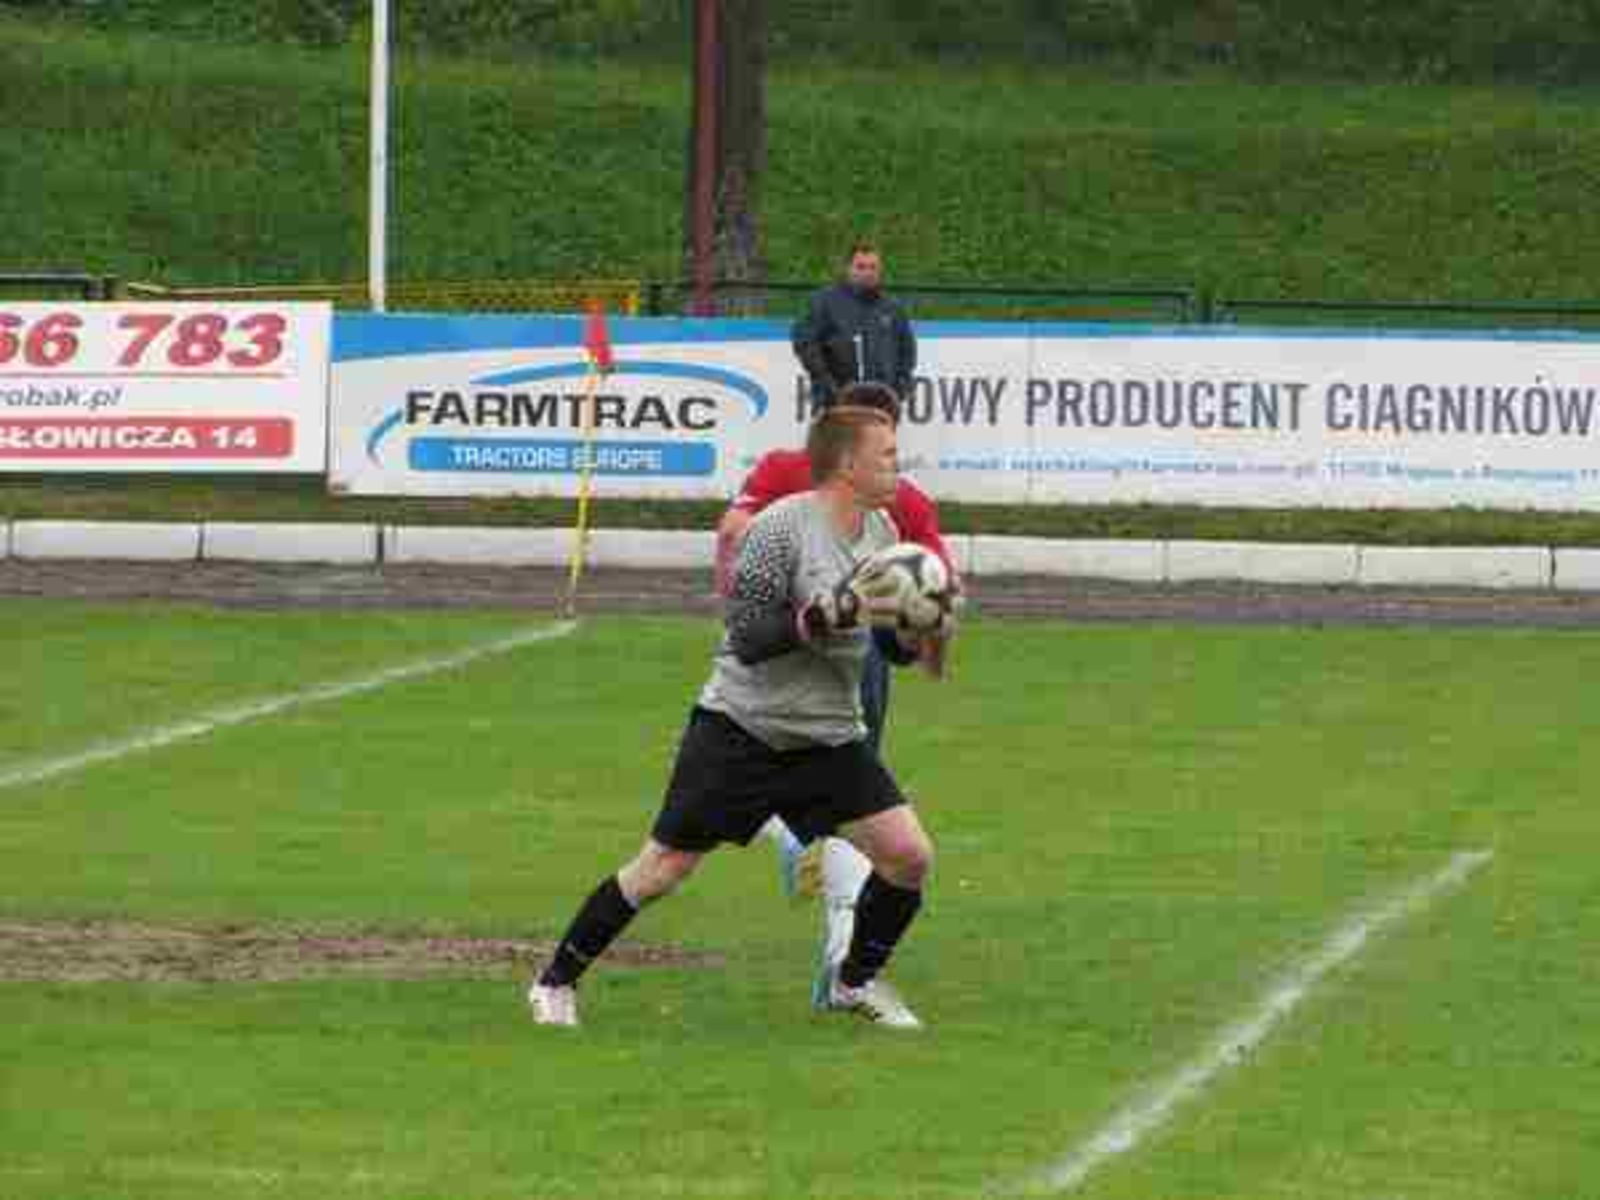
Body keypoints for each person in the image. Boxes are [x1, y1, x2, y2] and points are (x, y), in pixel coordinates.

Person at [530, 406, 943, 1030]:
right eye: (885, 454)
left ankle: (853, 981)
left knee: (908, 855)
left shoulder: (884, 533)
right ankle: (555, 981)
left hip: (828, 736)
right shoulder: (780, 528)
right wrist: (822, 614)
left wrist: (913, 628)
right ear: (847, 464)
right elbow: (747, 635)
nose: (897, 464)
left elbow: (888, 648)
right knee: (662, 870)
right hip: (741, 729)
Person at [714, 381, 957, 1010]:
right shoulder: (792, 474)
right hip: (788, 649)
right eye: (884, 443)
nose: (891, 457)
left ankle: (834, 927)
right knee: (819, 776)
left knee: (848, 786)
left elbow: (933, 588)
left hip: (842, 653)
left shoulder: (898, 500)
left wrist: (919, 611)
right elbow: (739, 526)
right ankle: (813, 872)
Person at [792, 241, 916, 410]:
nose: (867, 273)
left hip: (881, 406)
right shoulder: (823, 302)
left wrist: (899, 389)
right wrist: (827, 384)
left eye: (873, 267)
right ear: (848, 268)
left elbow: (907, 351)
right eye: (861, 267)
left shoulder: (893, 308)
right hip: (836, 404)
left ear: (880, 270)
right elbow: (804, 343)